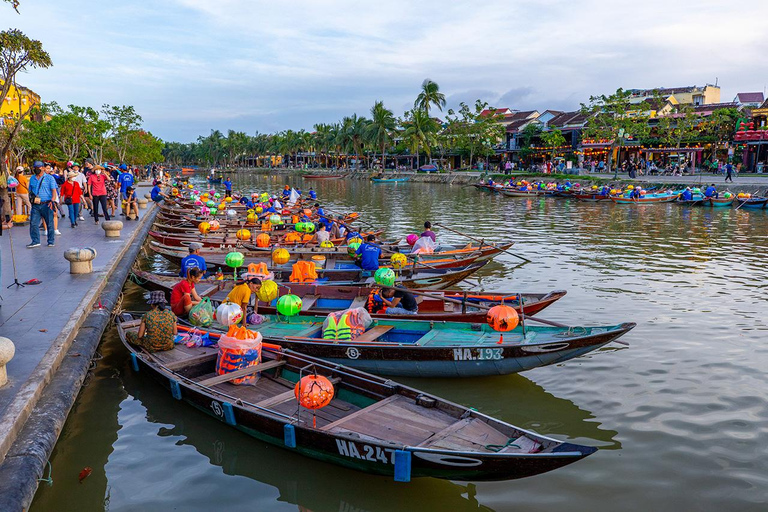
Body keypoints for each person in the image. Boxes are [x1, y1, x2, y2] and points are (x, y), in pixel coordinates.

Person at [26, 161, 59, 248]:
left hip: (47, 203)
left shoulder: (49, 178)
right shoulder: (32, 178)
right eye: (35, 167)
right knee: (33, 223)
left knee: (50, 223)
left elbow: (54, 191)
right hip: (36, 205)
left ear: (43, 168)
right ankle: (35, 241)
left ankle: (51, 241)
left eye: (39, 167)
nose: (37, 169)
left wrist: (52, 201)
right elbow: (30, 190)